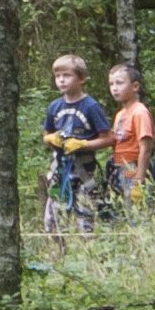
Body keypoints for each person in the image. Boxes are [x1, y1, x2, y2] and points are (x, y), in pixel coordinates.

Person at [42, 53, 110, 236]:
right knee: (53, 218)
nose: (61, 80)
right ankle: (57, 253)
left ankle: (87, 252)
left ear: (81, 78)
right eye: (58, 76)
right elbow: (46, 134)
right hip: (60, 169)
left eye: (67, 75)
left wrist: (84, 144)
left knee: (86, 218)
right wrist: (51, 139)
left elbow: (108, 138)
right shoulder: (54, 107)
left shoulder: (91, 106)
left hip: (84, 170)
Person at [108, 60, 155, 215]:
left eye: (120, 83)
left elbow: (146, 148)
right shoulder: (120, 114)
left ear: (135, 86)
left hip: (134, 169)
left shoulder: (140, 112)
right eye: (111, 84)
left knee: (138, 215)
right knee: (123, 214)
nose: (115, 88)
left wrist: (139, 180)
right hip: (119, 170)